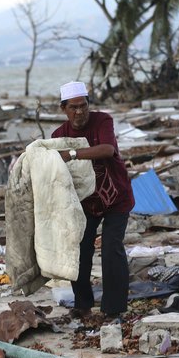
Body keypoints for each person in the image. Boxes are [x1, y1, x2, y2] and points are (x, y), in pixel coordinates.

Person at [52, 81, 134, 321]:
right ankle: (83, 304)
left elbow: (107, 149)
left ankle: (114, 308)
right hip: (86, 203)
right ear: (63, 109)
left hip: (116, 196)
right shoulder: (59, 135)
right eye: (73, 107)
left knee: (111, 248)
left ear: (89, 104)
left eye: (83, 106)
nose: (79, 112)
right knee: (79, 250)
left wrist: (72, 154)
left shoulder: (102, 121)